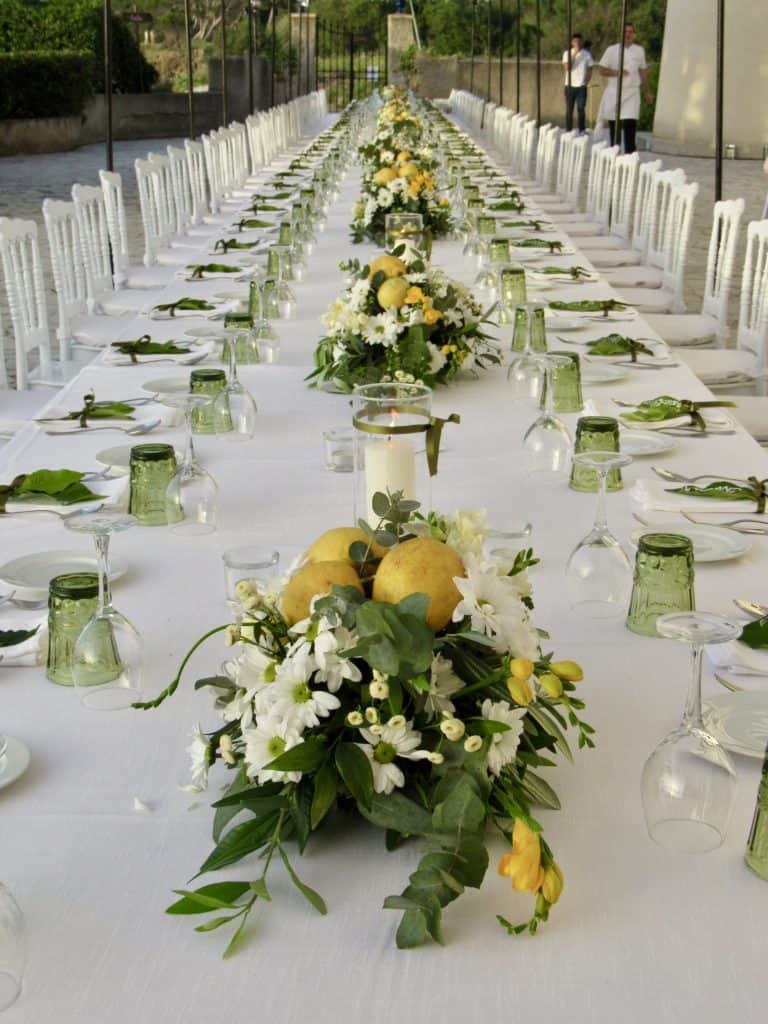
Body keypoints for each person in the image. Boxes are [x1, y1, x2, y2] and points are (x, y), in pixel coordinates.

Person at [597, 23, 654, 154]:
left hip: (632, 92)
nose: (628, 34)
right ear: (620, 35)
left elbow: (643, 71)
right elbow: (601, 69)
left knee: (630, 123)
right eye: (625, 32)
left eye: (630, 32)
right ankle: (614, 153)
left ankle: (630, 155)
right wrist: (618, 73)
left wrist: (648, 91)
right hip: (614, 91)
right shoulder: (611, 50)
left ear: (633, 34)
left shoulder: (639, 51)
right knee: (615, 125)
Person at [562, 33, 593, 134]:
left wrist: (587, 79)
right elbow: (567, 68)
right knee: (569, 109)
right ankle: (568, 129)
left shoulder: (586, 54)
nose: (578, 44)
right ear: (572, 43)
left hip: (581, 86)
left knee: (581, 109)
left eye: (579, 41)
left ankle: (582, 129)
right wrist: (574, 54)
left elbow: (590, 68)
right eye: (575, 42)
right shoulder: (567, 54)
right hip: (569, 85)